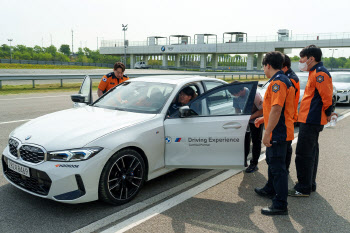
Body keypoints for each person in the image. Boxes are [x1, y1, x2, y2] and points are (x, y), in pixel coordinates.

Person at [288, 45, 338, 197]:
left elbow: (327, 98)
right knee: (311, 153)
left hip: (311, 119)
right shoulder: (314, 72)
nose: (300, 61)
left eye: (302, 58)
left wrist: (329, 113)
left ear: (311, 58)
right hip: (309, 119)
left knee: (304, 154)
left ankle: (303, 188)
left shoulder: (320, 73)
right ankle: (309, 184)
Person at [254, 51, 295, 216]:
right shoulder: (284, 80)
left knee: (278, 168)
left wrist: (267, 133)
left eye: (263, 66)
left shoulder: (278, 83)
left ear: (268, 65)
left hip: (278, 132)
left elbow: (277, 109)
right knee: (274, 164)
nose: (264, 69)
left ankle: (280, 204)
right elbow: (277, 109)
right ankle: (270, 189)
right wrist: (263, 119)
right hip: (283, 129)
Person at [230, 81, 264, 173]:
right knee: (244, 141)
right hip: (245, 120)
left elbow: (262, 110)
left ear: (241, 90)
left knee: (256, 141)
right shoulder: (235, 96)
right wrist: (238, 121)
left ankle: (254, 164)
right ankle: (243, 161)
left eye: (235, 93)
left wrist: (250, 118)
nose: (234, 95)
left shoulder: (254, 95)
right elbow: (237, 110)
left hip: (257, 120)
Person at [281, 55, 300, 173]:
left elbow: (285, 100)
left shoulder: (290, 79)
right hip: (288, 115)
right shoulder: (287, 76)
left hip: (287, 116)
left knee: (285, 145)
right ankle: (284, 169)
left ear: (284, 67)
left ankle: (285, 169)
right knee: (285, 145)